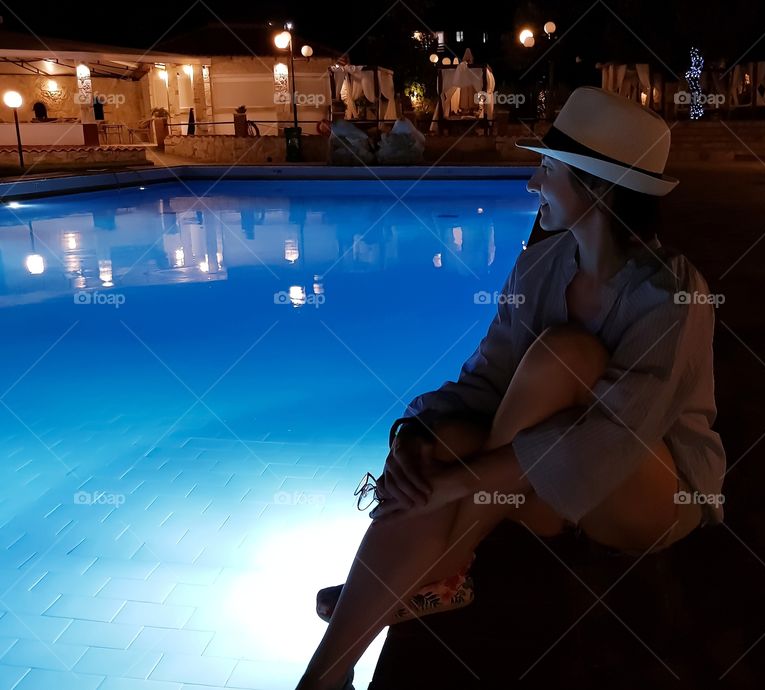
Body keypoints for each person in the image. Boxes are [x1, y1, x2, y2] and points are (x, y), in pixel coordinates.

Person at [296, 86, 726, 690]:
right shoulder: (541, 268)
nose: (532, 183)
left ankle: (435, 568)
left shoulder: (670, 296)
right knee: (438, 444)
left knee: (563, 356)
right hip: (550, 489)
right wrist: (415, 437)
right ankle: (325, 677)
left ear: (595, 187)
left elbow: (615, 438)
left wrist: (455, 481)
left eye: (547, 168)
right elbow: (487, 378)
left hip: (654, 493)